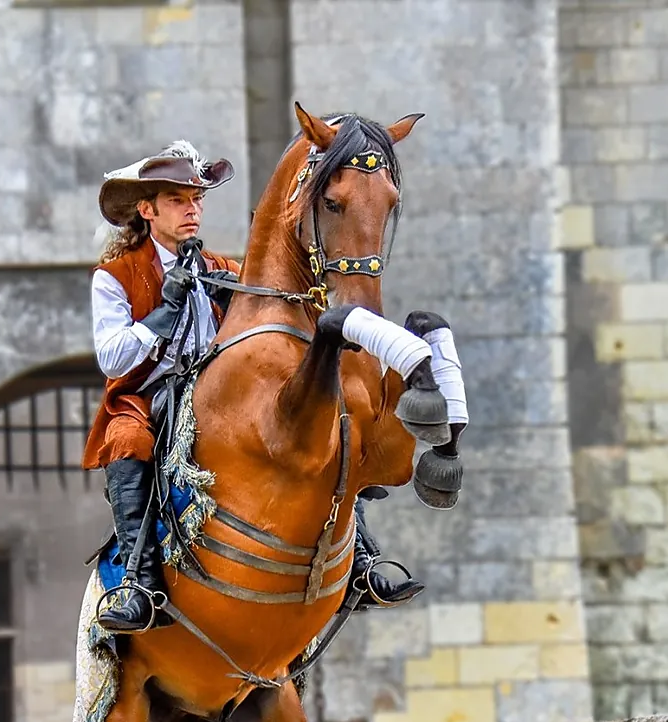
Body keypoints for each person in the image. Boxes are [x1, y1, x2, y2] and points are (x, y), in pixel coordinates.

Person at [83, 140, 423, 634]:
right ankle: (138, 581)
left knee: (323, 417)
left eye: (197, 200)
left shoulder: (222, 267)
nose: (192, 210)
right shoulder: (113, 277)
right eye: (179, 200)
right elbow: (112, 358)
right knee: (128, 442)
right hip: (150, 394)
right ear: (147, 209)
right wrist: (162, 313)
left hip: (220, 386)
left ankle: (360, 561)